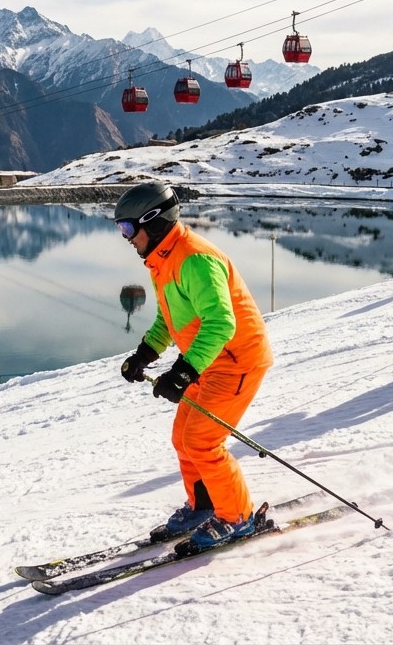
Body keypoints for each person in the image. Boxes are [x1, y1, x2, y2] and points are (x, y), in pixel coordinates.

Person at [114, 181, 274, 551]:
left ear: (152, 222)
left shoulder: (194, 259)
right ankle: (204, 506)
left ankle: (238, 517)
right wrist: (144, 355)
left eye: (127, 228)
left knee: (203, 441)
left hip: (237, 361)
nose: (125, 237)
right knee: (183, 436)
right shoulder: (164, 260)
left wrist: (183, 373)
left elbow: (221, 323)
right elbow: (171, 320)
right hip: (209, 362)